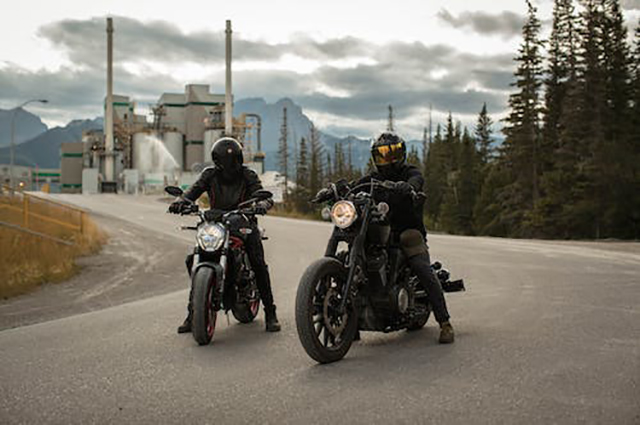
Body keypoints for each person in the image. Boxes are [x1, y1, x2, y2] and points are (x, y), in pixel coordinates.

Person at [169, 137, 281, 333]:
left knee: (258, 263)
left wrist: (262, 204)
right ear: (217, 161)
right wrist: (182, 201)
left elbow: (260, 193)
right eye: (226, 160)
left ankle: (270, 313)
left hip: (243, 223)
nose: (231, 164)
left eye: (234, 160)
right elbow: (192, 192)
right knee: (193, 258)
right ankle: (193, 314)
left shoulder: (248, 175)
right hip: (216, 223)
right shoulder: (209, 175)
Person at [359, 132, 454, 343]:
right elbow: (359, 184)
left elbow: (417, 179)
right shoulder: (374, 178)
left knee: (422, 268)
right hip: (379, 231)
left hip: (408, 231)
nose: (387, 159)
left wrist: (409, 187)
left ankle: (445, 323)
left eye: (392, 154)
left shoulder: (409, 172)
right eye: (382, 155)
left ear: (401, 154)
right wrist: (339, 188)